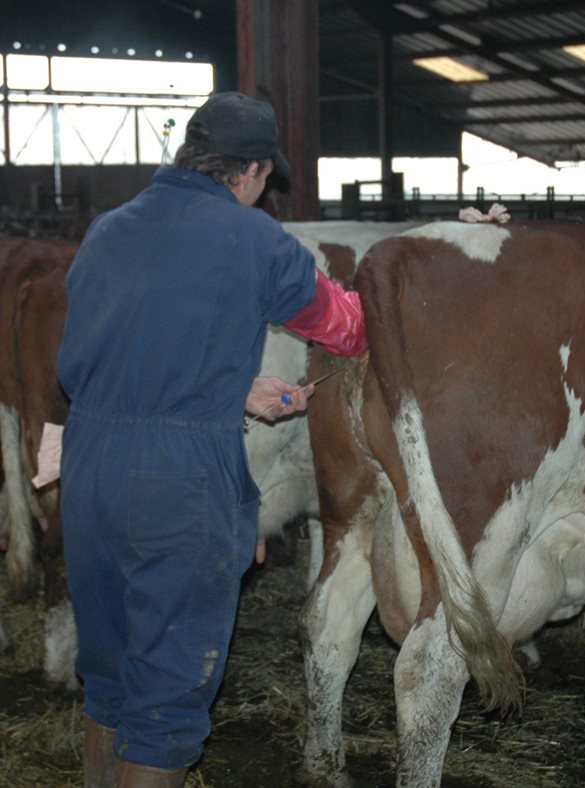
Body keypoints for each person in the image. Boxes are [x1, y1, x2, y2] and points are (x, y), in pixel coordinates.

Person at [56, 91, 367, 787]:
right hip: (179, 479)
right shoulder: (252, 238)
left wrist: (232, 388)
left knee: (109, 676)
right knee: (167, 703)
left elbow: (108, 352)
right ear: (253, 171)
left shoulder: (108, 229)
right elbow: (343, 328)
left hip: (87, 466)